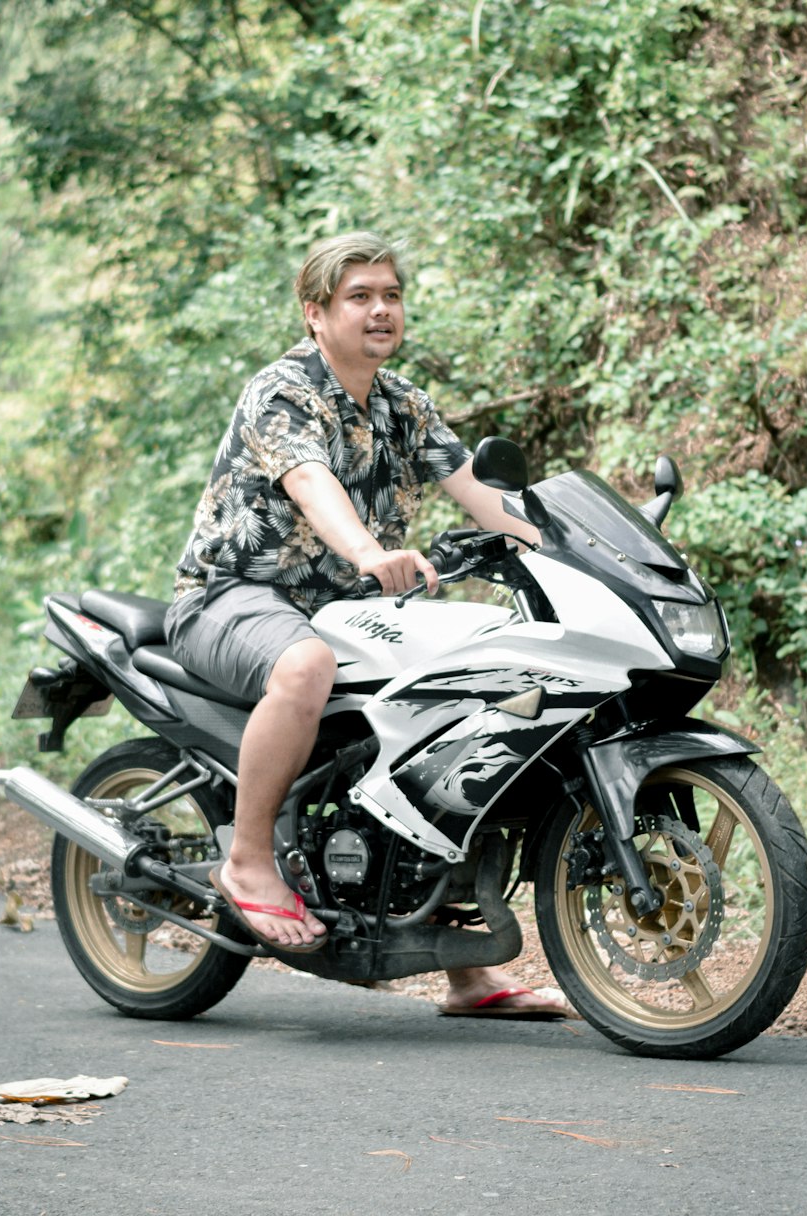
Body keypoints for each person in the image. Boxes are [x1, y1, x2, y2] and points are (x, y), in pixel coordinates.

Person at [165, 232, 575, 1019]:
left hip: (351, 612)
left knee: (472, 703)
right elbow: (313, 486)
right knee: (304, 666)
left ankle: (464, 960)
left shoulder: (402, 404)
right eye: (359, 297)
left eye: (390, 294)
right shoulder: (282, 392)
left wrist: (576, 552)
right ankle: (248, 860)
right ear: (316, 313)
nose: (380, 309)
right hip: (234, 597)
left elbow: (487, 500)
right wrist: (368, 550)